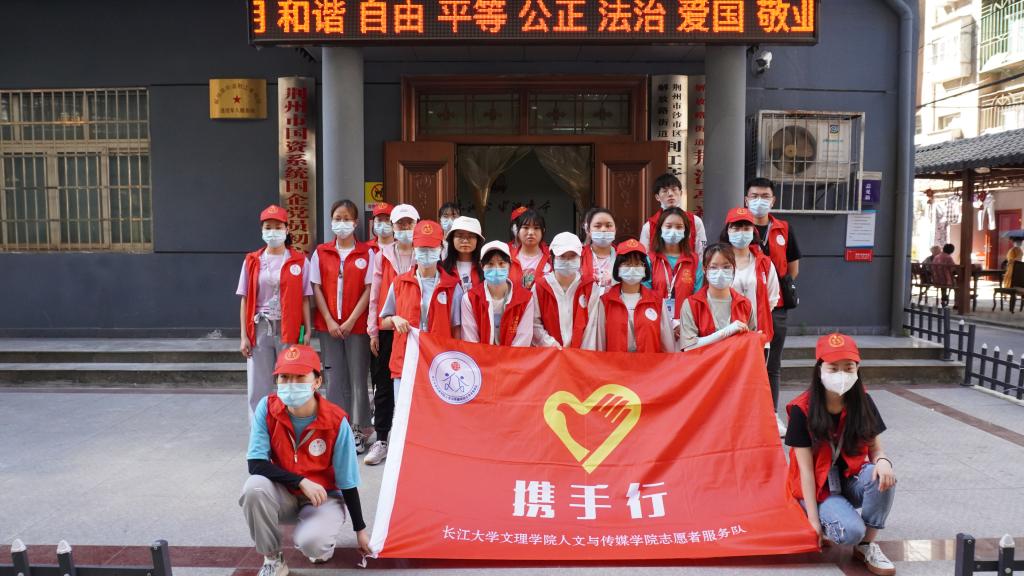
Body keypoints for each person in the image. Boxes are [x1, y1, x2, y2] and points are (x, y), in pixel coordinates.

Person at [241, 345, 370, 576]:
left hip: (323, 497)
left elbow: (348, 482)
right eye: (284, 377)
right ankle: (273, 559)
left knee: (313, 545)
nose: (290, 384)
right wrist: (301, 481)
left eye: (300, 377)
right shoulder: (267, 408)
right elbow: (256, 463)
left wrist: (360, 531)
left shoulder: (336, 421)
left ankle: (317, 534)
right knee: (254, 488)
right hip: (284, 493)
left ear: (317, 382)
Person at [785, 333, 896, 576]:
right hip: (818, 488)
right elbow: (805, 471)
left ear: (858, 369)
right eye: (833, 368)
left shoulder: (863, 401)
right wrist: (813, 522)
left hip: (849, 478)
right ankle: (819, 515)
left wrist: (883, 461)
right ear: (819, 369)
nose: (842, 374)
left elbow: (875, 449)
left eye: (848, 367)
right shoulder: (802, 410)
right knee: (850, 532)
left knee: (883, 476)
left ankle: (866, 545)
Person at [379, 219, 460, 425]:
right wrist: (395, 318)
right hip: (405, 359)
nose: (426, 254)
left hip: (439, 363)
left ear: (441, 249)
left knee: (436, 419)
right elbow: (384, 321)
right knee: (405, 416)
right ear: (414, 248)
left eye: (431, 249)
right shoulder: (400, 282)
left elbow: (456, 328)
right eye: (422, 248)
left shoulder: (452, 286)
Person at [310, 200, 374, 454]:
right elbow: (316, 287)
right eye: (337, 218)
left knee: (358, 377)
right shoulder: (321, 252)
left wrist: (350, 321)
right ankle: (335, 426)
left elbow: (369, 289)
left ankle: (358, 429)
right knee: (334, 377)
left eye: (347, 218)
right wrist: (328, 319)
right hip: (328, 327)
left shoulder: (366, 253)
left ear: (356, 222)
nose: (342, 223)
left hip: (356, 326)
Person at [237, 205, 313, 415]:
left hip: (289, 327)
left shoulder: (299, 260)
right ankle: (259, 430)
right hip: (260, 327)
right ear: (262, 230)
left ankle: (288, 427)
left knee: (290, 382)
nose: (273, 232)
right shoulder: (252, 260)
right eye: (268, 227)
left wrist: (308, 330)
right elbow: (244, 298)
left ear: (287, 229)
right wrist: (244, 336)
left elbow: (305, 298)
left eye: (278, 227)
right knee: (258, 386)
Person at [746, 178, 801, 435]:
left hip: (775, 307)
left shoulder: (784, 229)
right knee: (743, 362)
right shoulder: (738, 227)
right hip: (744, 307)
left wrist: (772, 289)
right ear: (746, 199)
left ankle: (771, 413)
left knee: (772, 363)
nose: (759, 200)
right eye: (754, 196)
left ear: (773, 200)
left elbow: (792, 269)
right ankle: (744, 413)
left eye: (765, 196)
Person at [364, 204, 419, 466]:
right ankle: (382, 439)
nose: (405, 228)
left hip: (417, 329)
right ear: (393, 228)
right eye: (400, 224)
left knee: (418, 382)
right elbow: (375, 295)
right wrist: (373, 330)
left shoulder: (427, 252)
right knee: (384, 384)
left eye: (409, 224)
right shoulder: (382, 255)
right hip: (388, 328)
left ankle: (414, 439)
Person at [594, 238, 676, 352]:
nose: (632, 269)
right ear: (618, 268)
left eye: (637, 264)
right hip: (616, 362)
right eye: (627, 264)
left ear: (645, 268)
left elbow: (668, 345)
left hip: (649, 362)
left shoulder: (657, 301)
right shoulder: (606, 302)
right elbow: (600, 344)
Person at [679, 243, 755, 350]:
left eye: (726, 267)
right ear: (704, 269)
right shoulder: (692, 304)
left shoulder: (744, 304)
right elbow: (689, 347)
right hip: (705, 361)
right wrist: (724, 333)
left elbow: (751, 343)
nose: (720, 272)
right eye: (714, 267)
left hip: (736, 361)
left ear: (734, 268)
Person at [532, 232, 601, 350]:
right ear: (552, 258)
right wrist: (552, 345)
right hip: (550, 353)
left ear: (580, 258)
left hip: (581, 355)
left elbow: (592, 326)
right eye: (562, 256)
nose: (568, 261)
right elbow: (534, 323)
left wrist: (581, 354)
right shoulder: (540, 287)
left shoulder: (590, 287)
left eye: (573, 256)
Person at [721, 207, 779, 345]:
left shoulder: (764, 263)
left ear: (753, 231)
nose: (741, 233)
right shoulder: (718, 261)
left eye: (746, 228)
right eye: (736, 228)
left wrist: (758, 318)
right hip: (725, 333)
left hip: (757, 334)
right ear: (727, 231)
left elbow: (772, 299)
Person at [460, 241, 535, 346]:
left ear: (510, 265)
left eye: (501, 263)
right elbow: (470, 341)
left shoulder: (525, 299)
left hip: (514, 356)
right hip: (480, 356)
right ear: (482, 266)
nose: (496, 269)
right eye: (490, 264)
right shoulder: (470, 299)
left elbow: (523, 341)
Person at [649, 207, 702, 323]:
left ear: (685, 231)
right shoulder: (650, 259)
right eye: (668, 226)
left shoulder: (694, 260)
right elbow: (645, 294)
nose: (673, 231)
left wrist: (685, 323)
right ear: (660, 229)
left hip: (686, 324)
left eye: (679, 227)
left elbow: (697, 297)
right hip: (656, 323)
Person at [638, 173, 706, 256]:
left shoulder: (695, 221)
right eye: (665, 191)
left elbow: (701, 253)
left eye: (674, 189)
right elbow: (644, 256)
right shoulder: (649, 226)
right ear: (657, 197)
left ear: (681, 193)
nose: (670, 194)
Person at [440, 216, 484, 295]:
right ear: (452, 239)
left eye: (470, 236)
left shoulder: (485, 268)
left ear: (478, 240)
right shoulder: (442, 267)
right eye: (460, 236)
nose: (465, 241)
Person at [510, 208, 551, 290]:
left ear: (543, 231)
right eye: (526, 227)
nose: (531, 232)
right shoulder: (508, 257)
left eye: (536, 228)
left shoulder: (551, 258)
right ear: (517, 231)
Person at [581, 207, 617, 294]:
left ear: (615, 229)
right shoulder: (579, 255)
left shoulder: (623, 256)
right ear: (588, 230)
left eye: (608, 225)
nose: (603, 229)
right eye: (597, 226)